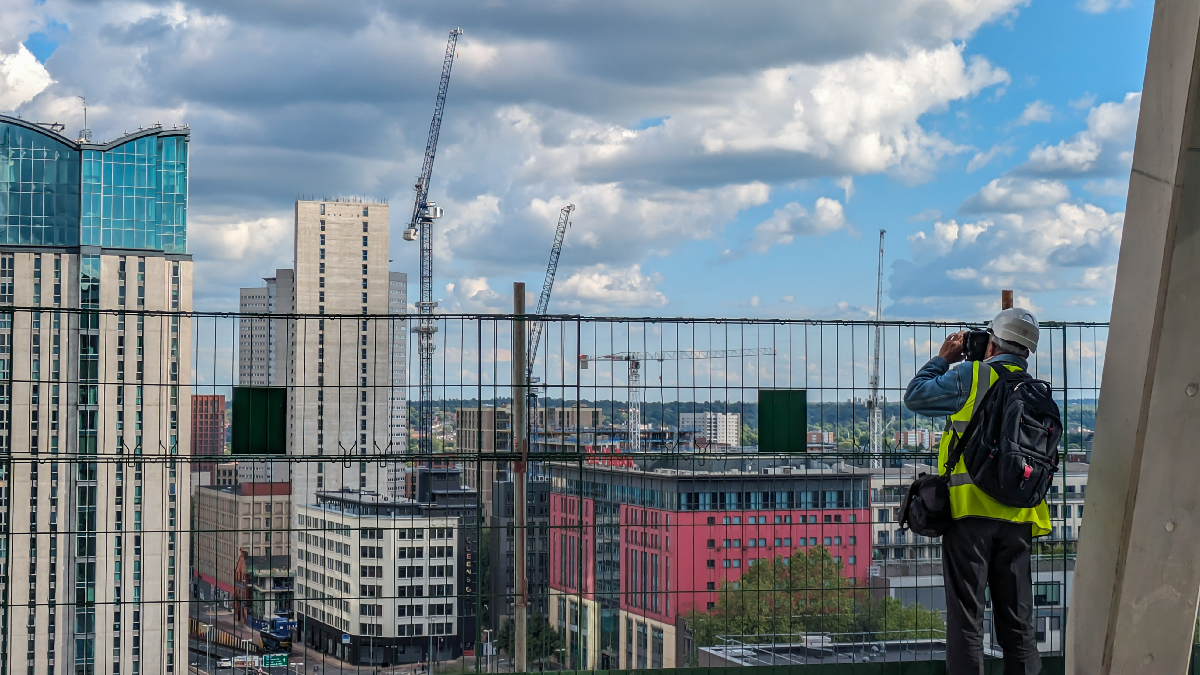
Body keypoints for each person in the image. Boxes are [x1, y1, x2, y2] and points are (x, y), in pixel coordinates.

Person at [903, 308, 1050, 675]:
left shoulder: (972, 375)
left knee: (967, 622)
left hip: (969, 516)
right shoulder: (1037, 391)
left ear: (991, 344)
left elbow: (916, 397)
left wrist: (942, 359)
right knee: (1018, 625)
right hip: (1020, 517)